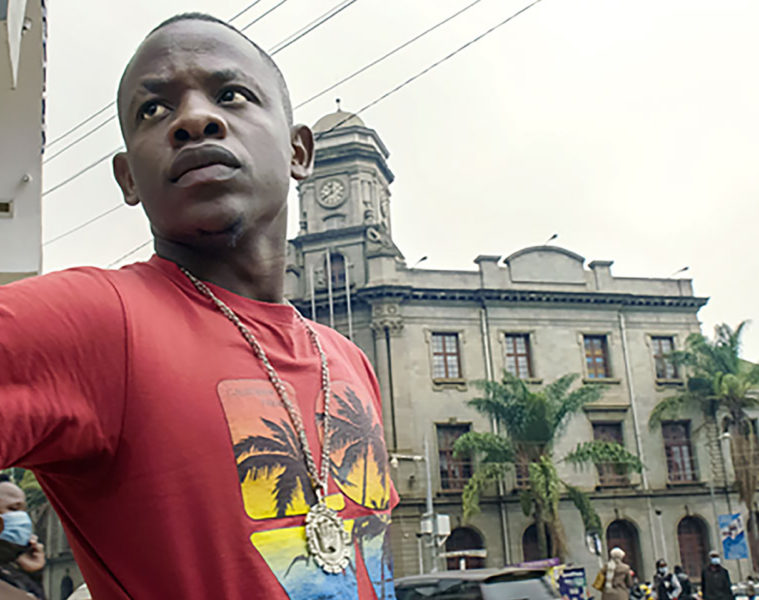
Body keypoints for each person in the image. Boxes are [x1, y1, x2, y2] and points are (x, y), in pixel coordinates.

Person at [0, 12, 397, 600]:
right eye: (153, 110)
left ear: (298, 151)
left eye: (230, 94)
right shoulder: (97, 322)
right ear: (128, 178)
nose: (192, 119)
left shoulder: (349, 361)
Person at [0, 477, 46, 599]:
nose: (22, 517)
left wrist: (32, 575)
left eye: (24, 510)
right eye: (14, 509)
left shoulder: (10, 570)